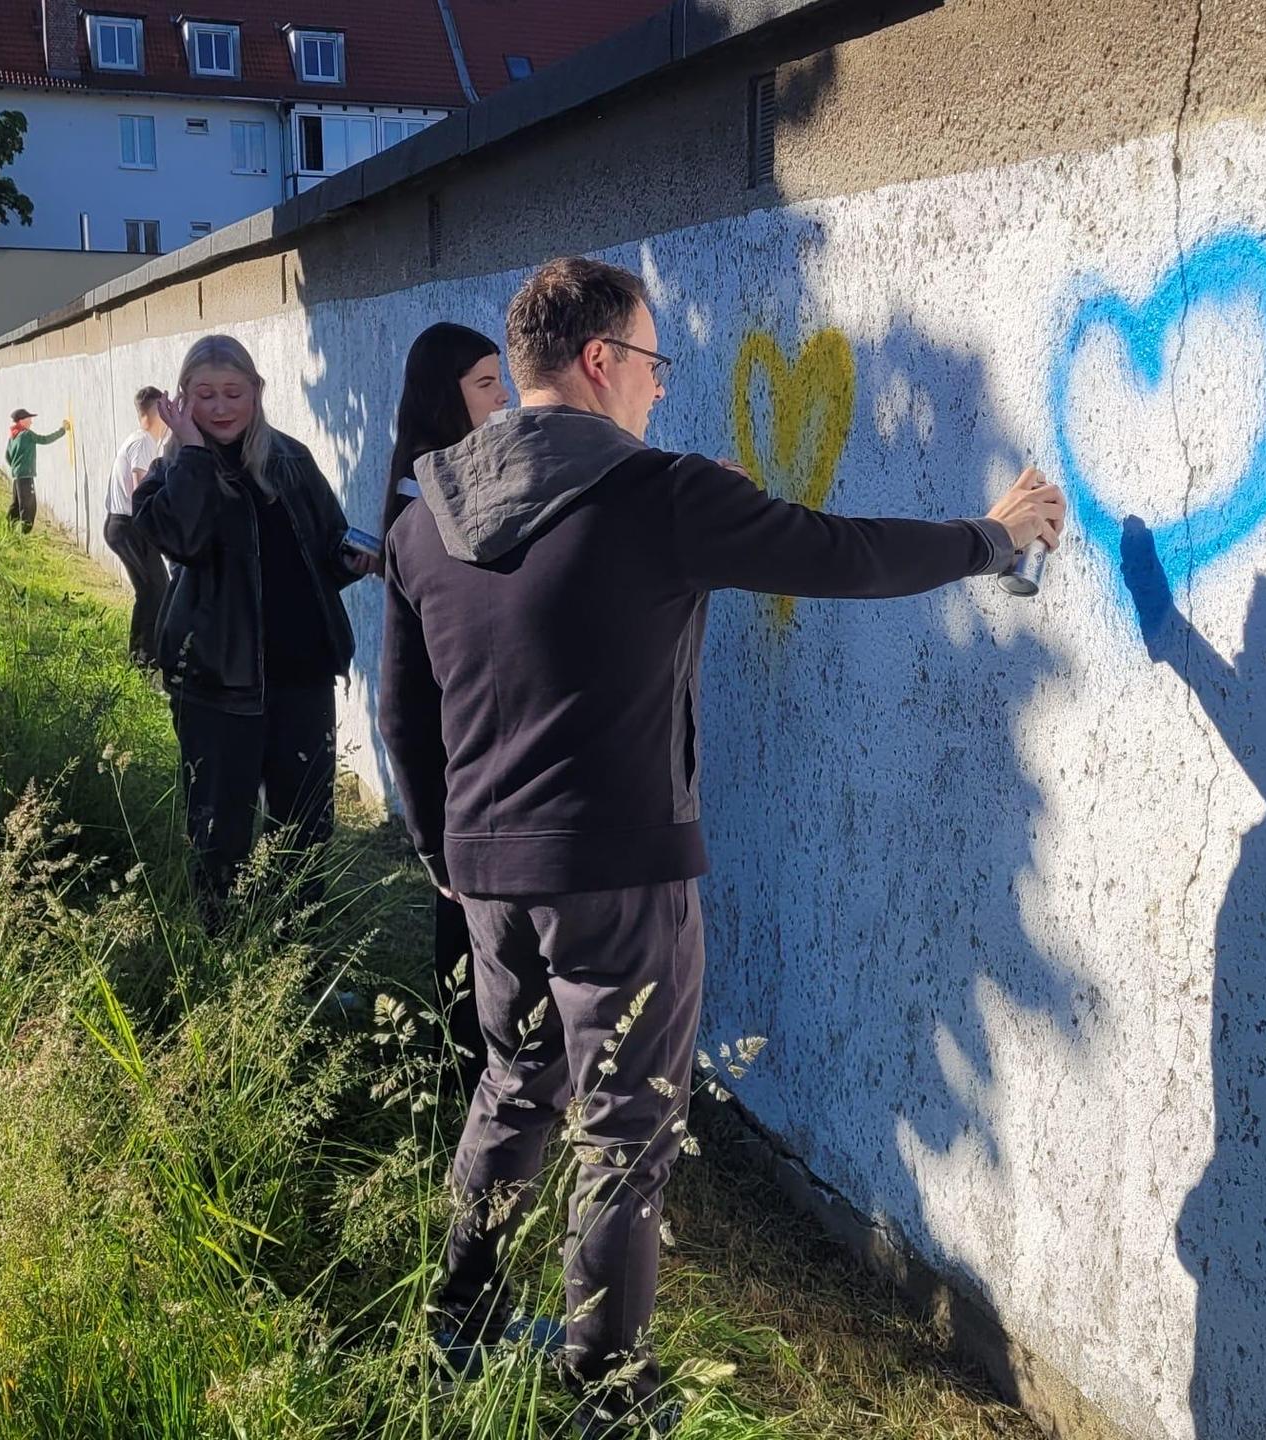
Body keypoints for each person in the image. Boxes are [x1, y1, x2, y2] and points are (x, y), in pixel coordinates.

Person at [376, 256, 1065, 1437]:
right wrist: (989, 539)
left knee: (513, 1089)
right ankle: (607, 1391)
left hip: (488, 873)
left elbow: (403, 715)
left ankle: (459, 1324)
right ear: (599, 360)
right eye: (653, 364)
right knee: (626, 1130)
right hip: (622, 874)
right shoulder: (661, 495)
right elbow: (841, 554)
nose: (660, 388)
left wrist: (452, 854)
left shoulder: (423, 518)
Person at [130, 335, 371, 921]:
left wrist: (351, 559)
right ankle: (222, 943)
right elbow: (183, 541)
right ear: (181, 399)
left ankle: (294, 941)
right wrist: (191, 452)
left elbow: (325, 545)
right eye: (205, 394)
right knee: (220, 831)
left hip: (302, 675)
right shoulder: (167, 474)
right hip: (216, 680)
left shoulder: (291, 460)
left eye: (233, 392)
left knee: (305, 826)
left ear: (257, 392)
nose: (220, 407)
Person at [379, 323, 510, 1093]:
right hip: (461, 759)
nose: (505, 398)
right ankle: (463, 1088)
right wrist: (430, 838)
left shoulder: (461, 478)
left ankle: (466, 1080)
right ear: (443, 397)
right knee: (464, 939)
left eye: (501, 380)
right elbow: (404, 707)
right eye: (486, 384)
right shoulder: (427, 500)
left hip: (467, 762)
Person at [103, 386, 172, 667]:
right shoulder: (144, 442)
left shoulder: (136, 439)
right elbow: (141, 492)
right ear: (157, 412)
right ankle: (147, 660)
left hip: (120, 526)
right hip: (130, 526)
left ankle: (139, 659)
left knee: (149, 590)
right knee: (158, 589)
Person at [3, 408, 69, 532]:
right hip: (26, 477)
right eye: (29, 419)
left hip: (17, 477)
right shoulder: (27, 434)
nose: (31, 422)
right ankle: (24, 535)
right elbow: (44, 440)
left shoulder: (13, 436)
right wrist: (62, 430)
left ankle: (8, 530)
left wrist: (16, 467)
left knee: (16, 506)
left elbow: (7, 456)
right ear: (22, 420)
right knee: (29, 507)